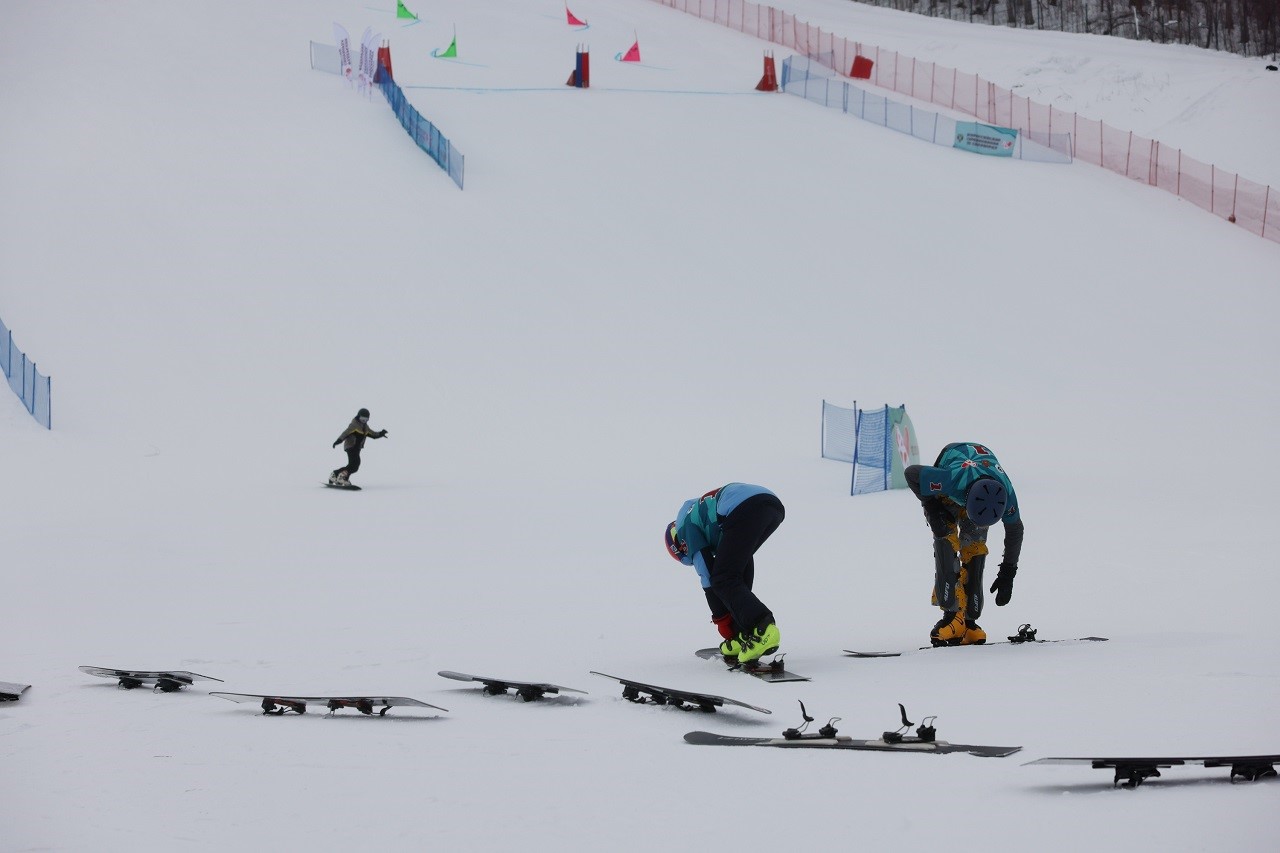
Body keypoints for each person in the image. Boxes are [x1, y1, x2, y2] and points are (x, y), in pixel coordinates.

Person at [904, 442, 1023, 647]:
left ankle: (969, 620)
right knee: (946, 541)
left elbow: (1015, 531)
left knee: (975, 549)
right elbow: (912, 474)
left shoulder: (1006, 496)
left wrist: (1007, 573)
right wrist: (931, 506)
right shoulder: (949, 480)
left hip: (979, 493)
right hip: (948, 491)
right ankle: (952, 616)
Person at [664, 483, 784, 664]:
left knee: (722, 578)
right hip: (771, 505)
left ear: (680, 546)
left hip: (746, 507)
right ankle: (746, 631)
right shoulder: (700, 516)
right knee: (732, 573)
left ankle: (762, 628)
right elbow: (739, 572)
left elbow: (706, 574)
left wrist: (722, 621)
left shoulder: (684, 528)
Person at [330, 408, 388, 485]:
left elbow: (373, 434)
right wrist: (338, 441)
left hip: (357, 448)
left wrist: (381, 433)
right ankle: (341, 477)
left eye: (366, 419)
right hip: (351, 446)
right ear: (358, 416)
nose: (364, 421)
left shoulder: (365, 427)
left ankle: (335, 475)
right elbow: (345, 433)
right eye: (362, 418)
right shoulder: (354, 425)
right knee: (355, 465)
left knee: (352, 465)